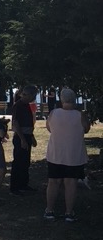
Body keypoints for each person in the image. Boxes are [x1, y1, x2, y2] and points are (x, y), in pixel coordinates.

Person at [43, 88, 90, 222]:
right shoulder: (80, 115)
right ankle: (69, 212)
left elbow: (49, 128)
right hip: (74, 154)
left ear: (62, 100)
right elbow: (86, 129)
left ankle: (49, 210)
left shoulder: (53, 113)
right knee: (71, 183)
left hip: (55, 153)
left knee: (53, 182)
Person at [10, 84, 38, 195]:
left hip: (27, 135)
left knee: (25, 162)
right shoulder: (18, 105)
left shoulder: (27, 105)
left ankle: (23, 184)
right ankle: (15, 187)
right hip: (20, 137)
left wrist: (32, 136)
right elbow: (16, 123)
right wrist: (22, 139)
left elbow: (29, 123)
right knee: (18, 162)